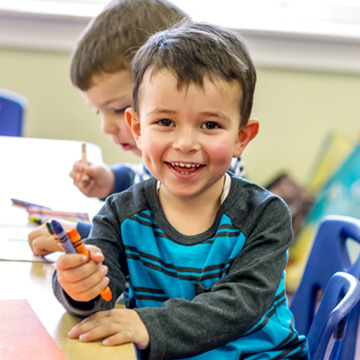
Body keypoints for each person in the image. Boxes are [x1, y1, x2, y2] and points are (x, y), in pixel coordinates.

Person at [52, 21, 309, 359]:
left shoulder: (264, 215)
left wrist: (149, 325)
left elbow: (241, 304)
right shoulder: (120, 214)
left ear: (241, 138)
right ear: (138, 128)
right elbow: (100, 292)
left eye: (210, 125)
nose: (186, 143)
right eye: (166, 122)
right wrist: (77, 287)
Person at [27, 0, 246, 257]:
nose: (106, 126)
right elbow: (153, 187)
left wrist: (87, 235)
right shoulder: (179, 158)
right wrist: (114, 181)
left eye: (118, 109)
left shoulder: (209, 161)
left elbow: (174, 244)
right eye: (99, 110)